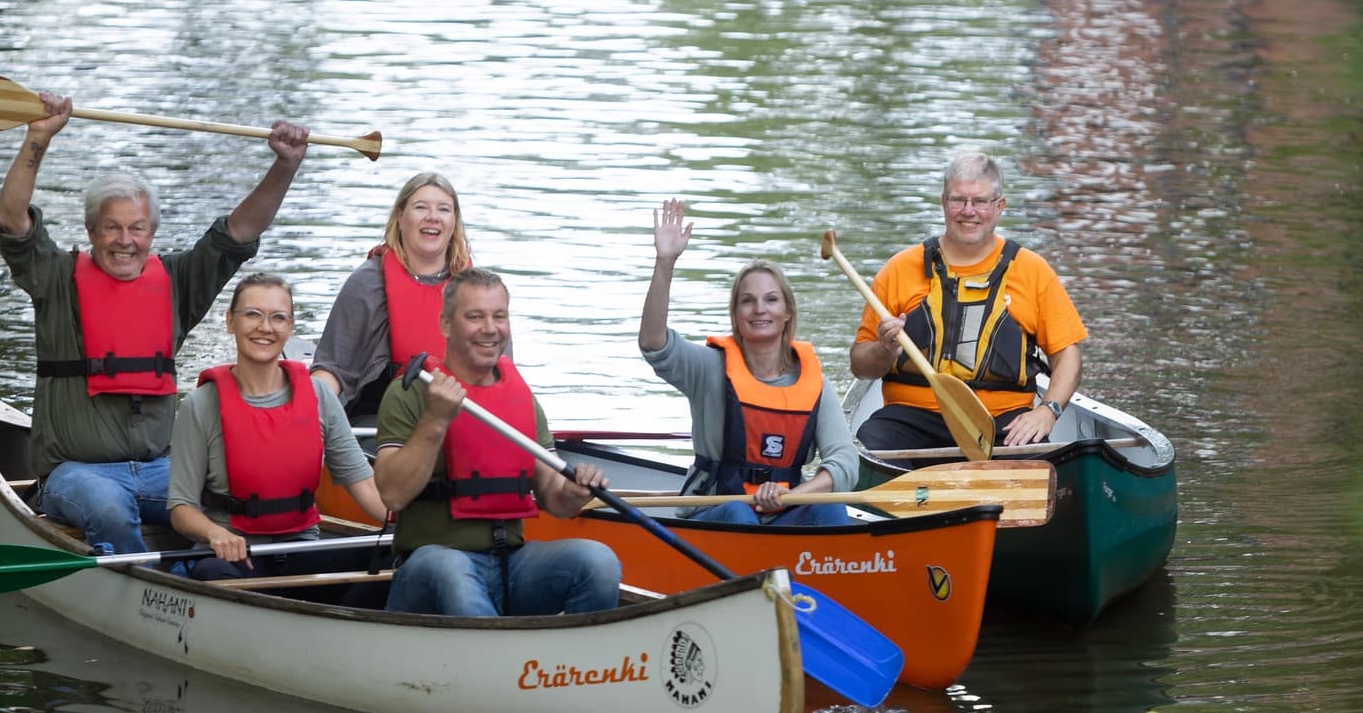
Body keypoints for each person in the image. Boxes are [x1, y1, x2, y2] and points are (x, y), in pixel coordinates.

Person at [0, 91, 310, 554]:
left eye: (137, 228)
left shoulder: (179, 282)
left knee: (229, 502)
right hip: (76, 473)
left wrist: (286, 166)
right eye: (112, 227)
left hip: (162, 468)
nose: (125, 241)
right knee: (108, 510)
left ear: (152, 233)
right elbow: (12, 221)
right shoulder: (55, 278)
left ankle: (201, 582)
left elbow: (240, 232)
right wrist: (37, 138)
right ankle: (153, 595)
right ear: (91, 232)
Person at [371, 268, 620, 617]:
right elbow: (393, 494)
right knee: (453, 574)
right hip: (430, 564)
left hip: (510, 564)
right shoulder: (412, 390)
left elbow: (554, 497)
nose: (490, 328)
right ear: (446, 325)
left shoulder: (518, 395)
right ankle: (496, 663)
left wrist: (575, 492)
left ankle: (572, 665)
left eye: (499, 316)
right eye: (475, 316)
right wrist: (436, 420)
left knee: (598, 561)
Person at [848, 150, 1086, 465]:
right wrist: (884, 350)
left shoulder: (1032, 271)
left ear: (999, 206)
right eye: (958, 200)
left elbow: (1068, 355)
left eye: (980, 202)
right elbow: (860, 365)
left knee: (1037, 461)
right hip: (909, 419)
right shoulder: (899, 269)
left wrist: (1048, 411)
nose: (968, 211)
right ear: (943, 203)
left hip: (1001, 422)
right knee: (869, 450)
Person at [639, 198, 856, 527]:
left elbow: (845, 463)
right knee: (740, 514)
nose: (759, 309)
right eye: (747, 301)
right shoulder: (709, 368)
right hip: (718, 509)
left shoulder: (816, 386)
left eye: (771, 300)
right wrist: (664, 263)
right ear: (736, 316)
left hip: (784, 512)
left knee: (831, 510)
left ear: (787, 314)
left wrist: (791, 498)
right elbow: (654, 343)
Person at [166, 273, 389, 581]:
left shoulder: (319, 395)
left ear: (290, 326)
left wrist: (407, 529)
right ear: (231, 322)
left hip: (301, 551)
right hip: (234, 556)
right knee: (211, 572)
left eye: (278, 317)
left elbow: (364, 485)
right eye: (253, 315)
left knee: (390, 555)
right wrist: (215, 533)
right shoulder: (200, 405)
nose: (265, 327)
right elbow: (181, 509)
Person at [311, 171, 476, 418]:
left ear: (454, 221)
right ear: (400, 217)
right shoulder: (368, 283)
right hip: (383, 422)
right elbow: (334, 370)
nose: (433, 217)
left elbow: (501, 372)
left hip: (463, 417)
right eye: (421, 207)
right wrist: (307, 411)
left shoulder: (476, 288)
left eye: (443, 209)